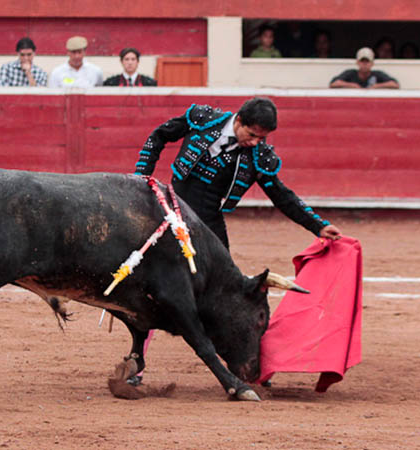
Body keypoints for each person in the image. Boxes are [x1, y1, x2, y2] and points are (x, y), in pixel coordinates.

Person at [129, 98, 342, 385]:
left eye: (262, 138)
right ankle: (136, 364)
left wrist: (318, 226)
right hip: (169, 216)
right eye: (252, 135)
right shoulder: (202, 119)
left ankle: (242, 365)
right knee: (150, 291)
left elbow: (282, 196)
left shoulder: (258, 157)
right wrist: (140, 176)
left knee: (224, 300)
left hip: (209, 229)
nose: (256, 143)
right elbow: (159, 135)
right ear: (238, 121)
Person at [329, 47, 399, 89]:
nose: (364, 64)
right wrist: (352, 85)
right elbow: (333, 83)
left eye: (367, 61)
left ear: (372, 63)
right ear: (357, 62)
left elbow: (394, 84)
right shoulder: (350, 73)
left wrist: (377, 86)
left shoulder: (377, 74)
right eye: (362, 61)